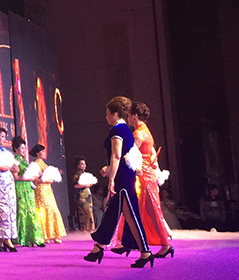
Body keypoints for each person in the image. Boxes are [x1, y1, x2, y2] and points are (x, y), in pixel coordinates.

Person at [84, 96, 154, 268]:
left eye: (108, 113)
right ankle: (99, 247)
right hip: (125, 175)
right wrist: (109, 170)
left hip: (122, 178)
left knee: (130, 214)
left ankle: (145, 252)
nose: (106, 117)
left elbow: (116, 156)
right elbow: (121, 157)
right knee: (115, 213)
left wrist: (111, 179)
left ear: (115, 114)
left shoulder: (117, 130)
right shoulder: (125, 130)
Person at [127, 102, 173, 257]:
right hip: (147, 175)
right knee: (147, 211)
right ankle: (138, 242)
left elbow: (131, 155)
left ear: (134, 116)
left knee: (151, 211)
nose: (128, 118)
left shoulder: (138, 134)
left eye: (129, 115)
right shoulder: (146, 131)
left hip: (144, 177)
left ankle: (165, 244)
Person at [27, 144, 66, 243]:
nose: (44, 153)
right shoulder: (36, 164)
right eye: (42, 151)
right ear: (37, 153)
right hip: (41, 189)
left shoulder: (43, 163)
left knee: (52, 210)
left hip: (48, 189)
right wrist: (44, 180)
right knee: (44, 211)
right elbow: (35, 179)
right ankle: (45, 235)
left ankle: (53, 234)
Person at [11, 137, 45, 247]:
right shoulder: (14, 160)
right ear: (15, 149)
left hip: (28, 188)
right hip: (20, 187)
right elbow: (16, 177)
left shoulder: (24, 160)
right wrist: (28, 177)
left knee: (32, 211)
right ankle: (22, 238)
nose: (24, 150)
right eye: (21, 148)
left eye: (24, 148)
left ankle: (35, 237)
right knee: (22, 211)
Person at [72, 156, 95, 232]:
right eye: (82, 164)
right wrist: (86, 185)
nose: (84, 165)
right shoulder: (77, 175)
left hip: (87, 195)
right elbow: (75, 186)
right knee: (84, 212)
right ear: (78, 165)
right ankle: (85, 229)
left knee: (89, 212)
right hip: (81, 196)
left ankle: (89, 229)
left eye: (84, 164)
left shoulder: (84, 173)